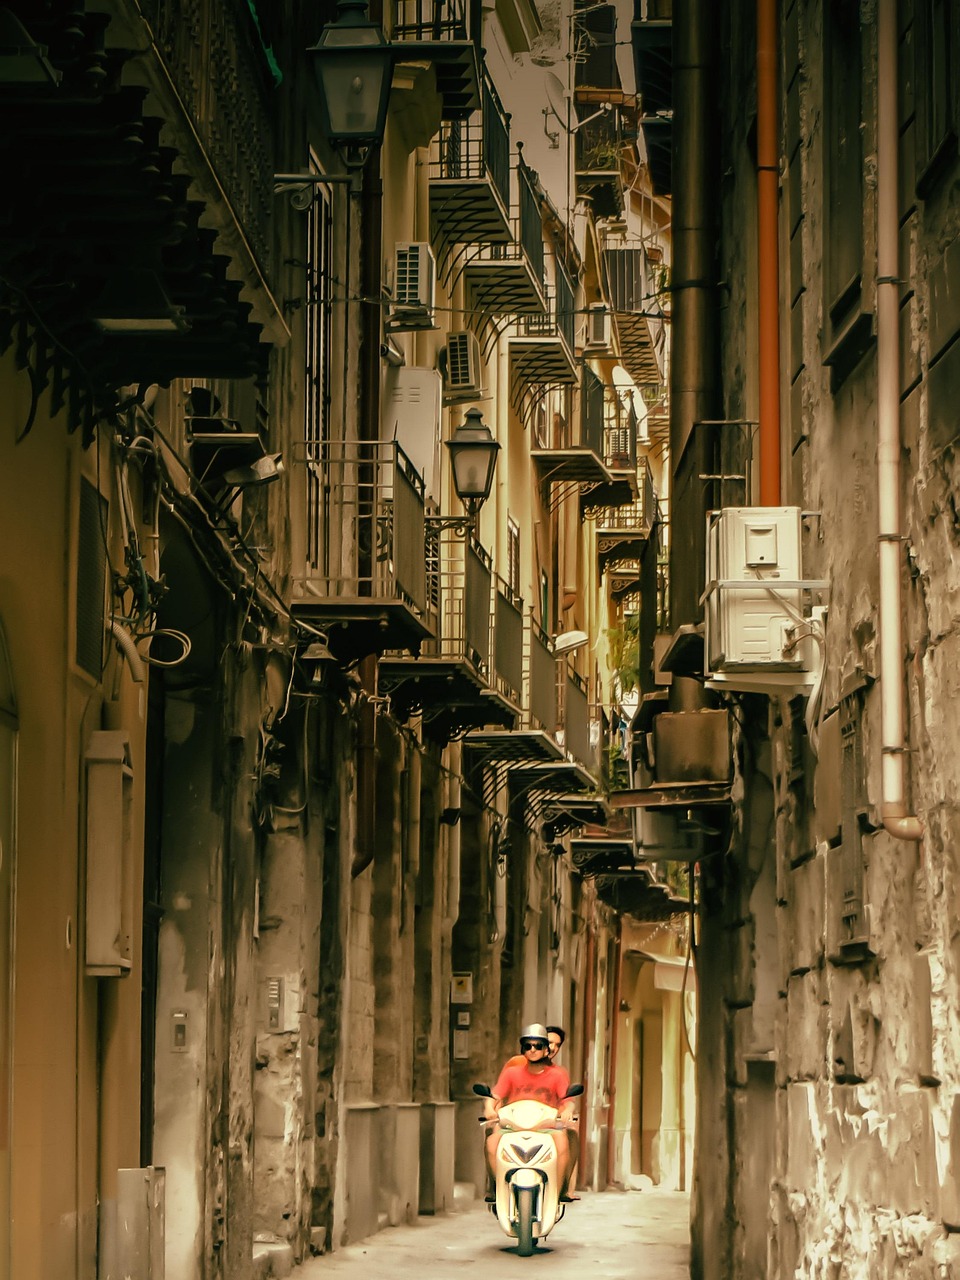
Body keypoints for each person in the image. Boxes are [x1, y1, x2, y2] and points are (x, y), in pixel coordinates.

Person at [483, 1023, 575, 1201]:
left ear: (546, 1050)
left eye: (538, 1046)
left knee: (562, 1142)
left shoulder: (557, 1075)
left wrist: (567, 1112)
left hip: (545, 1125)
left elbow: (568, 1101)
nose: (532, 1050)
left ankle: (556, 1191)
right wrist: (489, 1108)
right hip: (513, 1125)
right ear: (522, 1049)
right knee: (492, 1142)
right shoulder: (511, 1073)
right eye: (528, 1046)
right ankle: (499, 1188)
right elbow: (495, 1094)